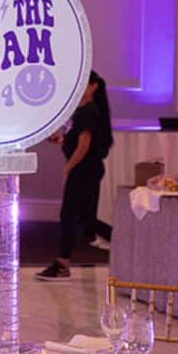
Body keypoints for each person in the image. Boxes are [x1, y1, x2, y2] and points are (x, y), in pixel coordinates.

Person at [37, 70, 114, 281]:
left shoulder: (89, 112)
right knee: (85, 218)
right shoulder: (81, 112)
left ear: (93, 87)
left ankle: (62, 263)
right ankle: (124, 242)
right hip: (85, 168)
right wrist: (61, 140)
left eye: (83, 85)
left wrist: (68, 167)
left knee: (70, 214)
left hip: (84, 168)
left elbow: (84, 146)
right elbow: (76, 139)